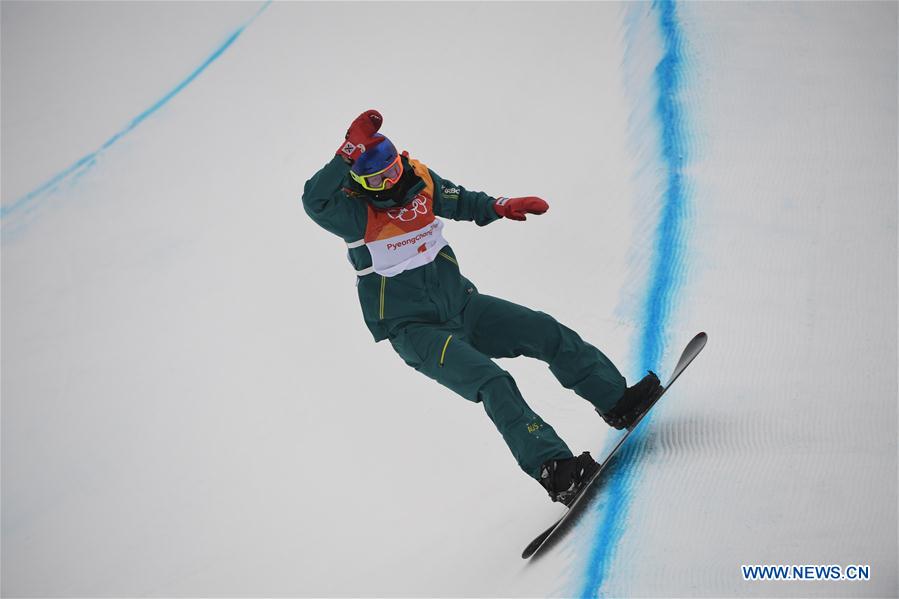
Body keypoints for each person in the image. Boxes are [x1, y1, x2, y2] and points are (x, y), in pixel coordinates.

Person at [302, 110, 661, 505]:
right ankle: (555, 470)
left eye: (390, 172)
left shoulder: (420, 181)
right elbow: (314, 199)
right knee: (493, 382)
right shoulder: (355, 214)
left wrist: (501, 205)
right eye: (374, 180)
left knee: (545, 331)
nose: (387, 184)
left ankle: (617, 402)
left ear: (399, 163)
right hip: (417, 333)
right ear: (358, 180)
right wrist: (346, 153)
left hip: (464, 305)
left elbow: (463, 202)